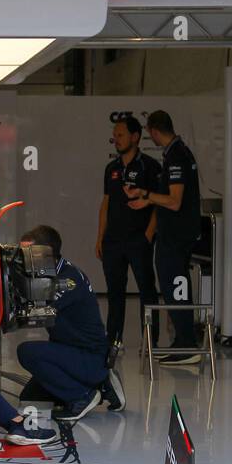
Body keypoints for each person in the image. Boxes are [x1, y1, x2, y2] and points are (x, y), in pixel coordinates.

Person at [16, 224, 125, 420]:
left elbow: (34, 312)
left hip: (87, 355)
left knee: (27, 351)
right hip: (70, 350)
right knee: (30, 399)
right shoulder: (46, 273)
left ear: (47, 254)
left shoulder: (69, 279)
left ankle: (82, 396)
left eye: (28, 253)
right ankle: (102, 383)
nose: (22, 259)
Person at [126, 110, 202, 365]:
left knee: (175, 284)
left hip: (177, 235)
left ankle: (187, 342)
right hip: (176, 234)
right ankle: (183, 339)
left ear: (154, 131)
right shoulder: (176, 153)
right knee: (173, 285)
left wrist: (146, 195)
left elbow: (174, 200)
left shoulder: (177, 156)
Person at [95, 114, 161, 354]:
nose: (116, 139)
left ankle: (151, 342)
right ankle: (114, 341)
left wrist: (148, 235)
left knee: (147, 291)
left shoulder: (150, 166)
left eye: (120, 135)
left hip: (138, 239)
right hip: (113, 240)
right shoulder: (111, 168)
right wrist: (100, 236)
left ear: (135, 137)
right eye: (114, 135)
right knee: (114, 292)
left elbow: (158, 204)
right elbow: (106, 203)